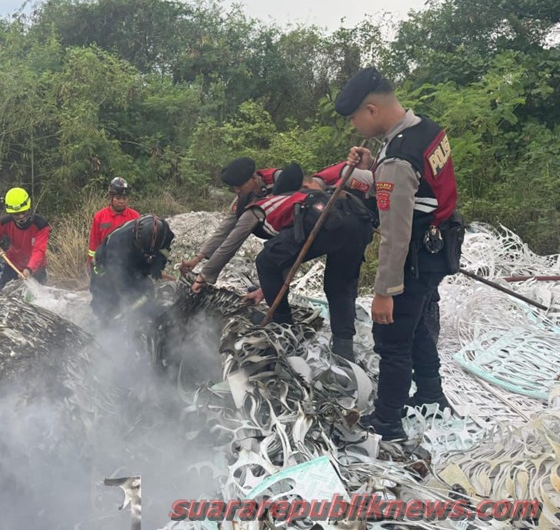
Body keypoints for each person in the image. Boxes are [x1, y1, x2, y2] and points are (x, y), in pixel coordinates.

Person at [338, 67, 464, 440]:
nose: (355, 127)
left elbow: (395, 233)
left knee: (392, 340)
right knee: (420, 326)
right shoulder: (426, 129)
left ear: (371, 110)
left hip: (414, 258)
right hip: (441, 247)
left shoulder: (397, 157)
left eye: (354, 119)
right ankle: (430, 395)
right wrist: (371, 168)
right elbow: (418, 187)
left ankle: (388, 422)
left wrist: (384, 291)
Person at [243, 168, 376, 362]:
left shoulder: (276, 203)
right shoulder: (332, 182)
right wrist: (266, 289)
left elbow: (280, 257)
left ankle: (283, 324)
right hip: (360, 222)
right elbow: (290, 258)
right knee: (340, 285)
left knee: (266, 260)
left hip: (326, 219)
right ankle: (343, 346)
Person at [180, 157, 281, 276]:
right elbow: (225, 229)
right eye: (234, 187)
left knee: (268, 259)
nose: (237, 190)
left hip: (292, 227)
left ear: (254, 177)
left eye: (240, 186)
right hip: (269, 229)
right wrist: (198, 258)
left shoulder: (278, 179)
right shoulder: (242, 199)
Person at [89, 214, 175, 322]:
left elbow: (165, 249)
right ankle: (101, 322)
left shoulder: (164, 231)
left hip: (135, 259)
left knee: (145, 291)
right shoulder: (118, 242)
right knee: (106, 300)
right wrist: (130, 304)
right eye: (146, 252)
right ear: (136, 237)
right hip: (105, 267)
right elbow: (119, 279)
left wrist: (158, 263)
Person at [0, 187, 51, 293]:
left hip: (36, 268)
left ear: (29, 208)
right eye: (16, 214)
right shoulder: (5, 222)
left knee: (39, 297)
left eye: (23, 212)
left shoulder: (40, 225)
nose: (21, 217)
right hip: (13, 263)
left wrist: (29, 269)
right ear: (10, 213)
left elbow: (39, 251)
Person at [87, 177, 141, 273]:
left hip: (129, 267)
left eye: (124, 198)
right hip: (106, 266)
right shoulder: (99, 217)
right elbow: (93, 244)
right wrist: (93, 267)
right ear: (110, 198)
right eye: (118, 198)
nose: (121, 201)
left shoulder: (135, 217)